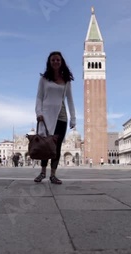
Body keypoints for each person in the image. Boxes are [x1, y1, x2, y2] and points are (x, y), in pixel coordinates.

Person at [33, 51, 76, 184]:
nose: (55, 62)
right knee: (46, 144)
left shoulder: (66, 81)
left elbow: (70, 100)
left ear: (61, 61)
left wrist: (73, 117)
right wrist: (38, 113)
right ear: (49, 62)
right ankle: (42, 173)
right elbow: (39, 97)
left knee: (56, 147)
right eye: (53, 60)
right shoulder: (44, 79)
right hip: (46, 116)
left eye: (58, 60)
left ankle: (53, 175)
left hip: (62, 115)